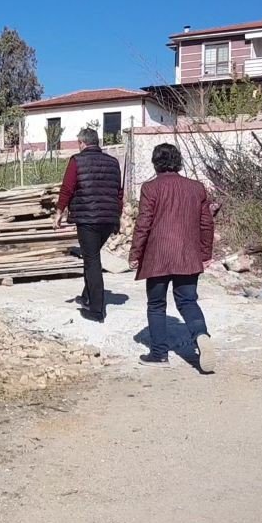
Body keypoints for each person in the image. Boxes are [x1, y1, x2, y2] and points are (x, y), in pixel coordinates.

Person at [128, 143, 216, 371]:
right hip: (187, 255)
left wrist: (135, 253)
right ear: (178, 162)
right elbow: (207, 224)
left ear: (155, 163)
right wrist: (205, 253)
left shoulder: (150, 188)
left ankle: (159, 355)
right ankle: (201, 335)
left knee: (156, 305)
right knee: (188, 301)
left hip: (157, 255)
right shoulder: (196, 188)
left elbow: (143, 223)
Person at [54, 128, 123, 323]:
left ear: (82, 143)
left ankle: (96, 310)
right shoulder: (113, 162)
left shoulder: (77, 161)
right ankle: (87, 296)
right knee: (91, 257)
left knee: (92, 261)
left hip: (88, 219)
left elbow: (67, 188)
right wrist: (117, 216)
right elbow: (118, 192)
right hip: (108, 218)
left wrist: (59, 212)